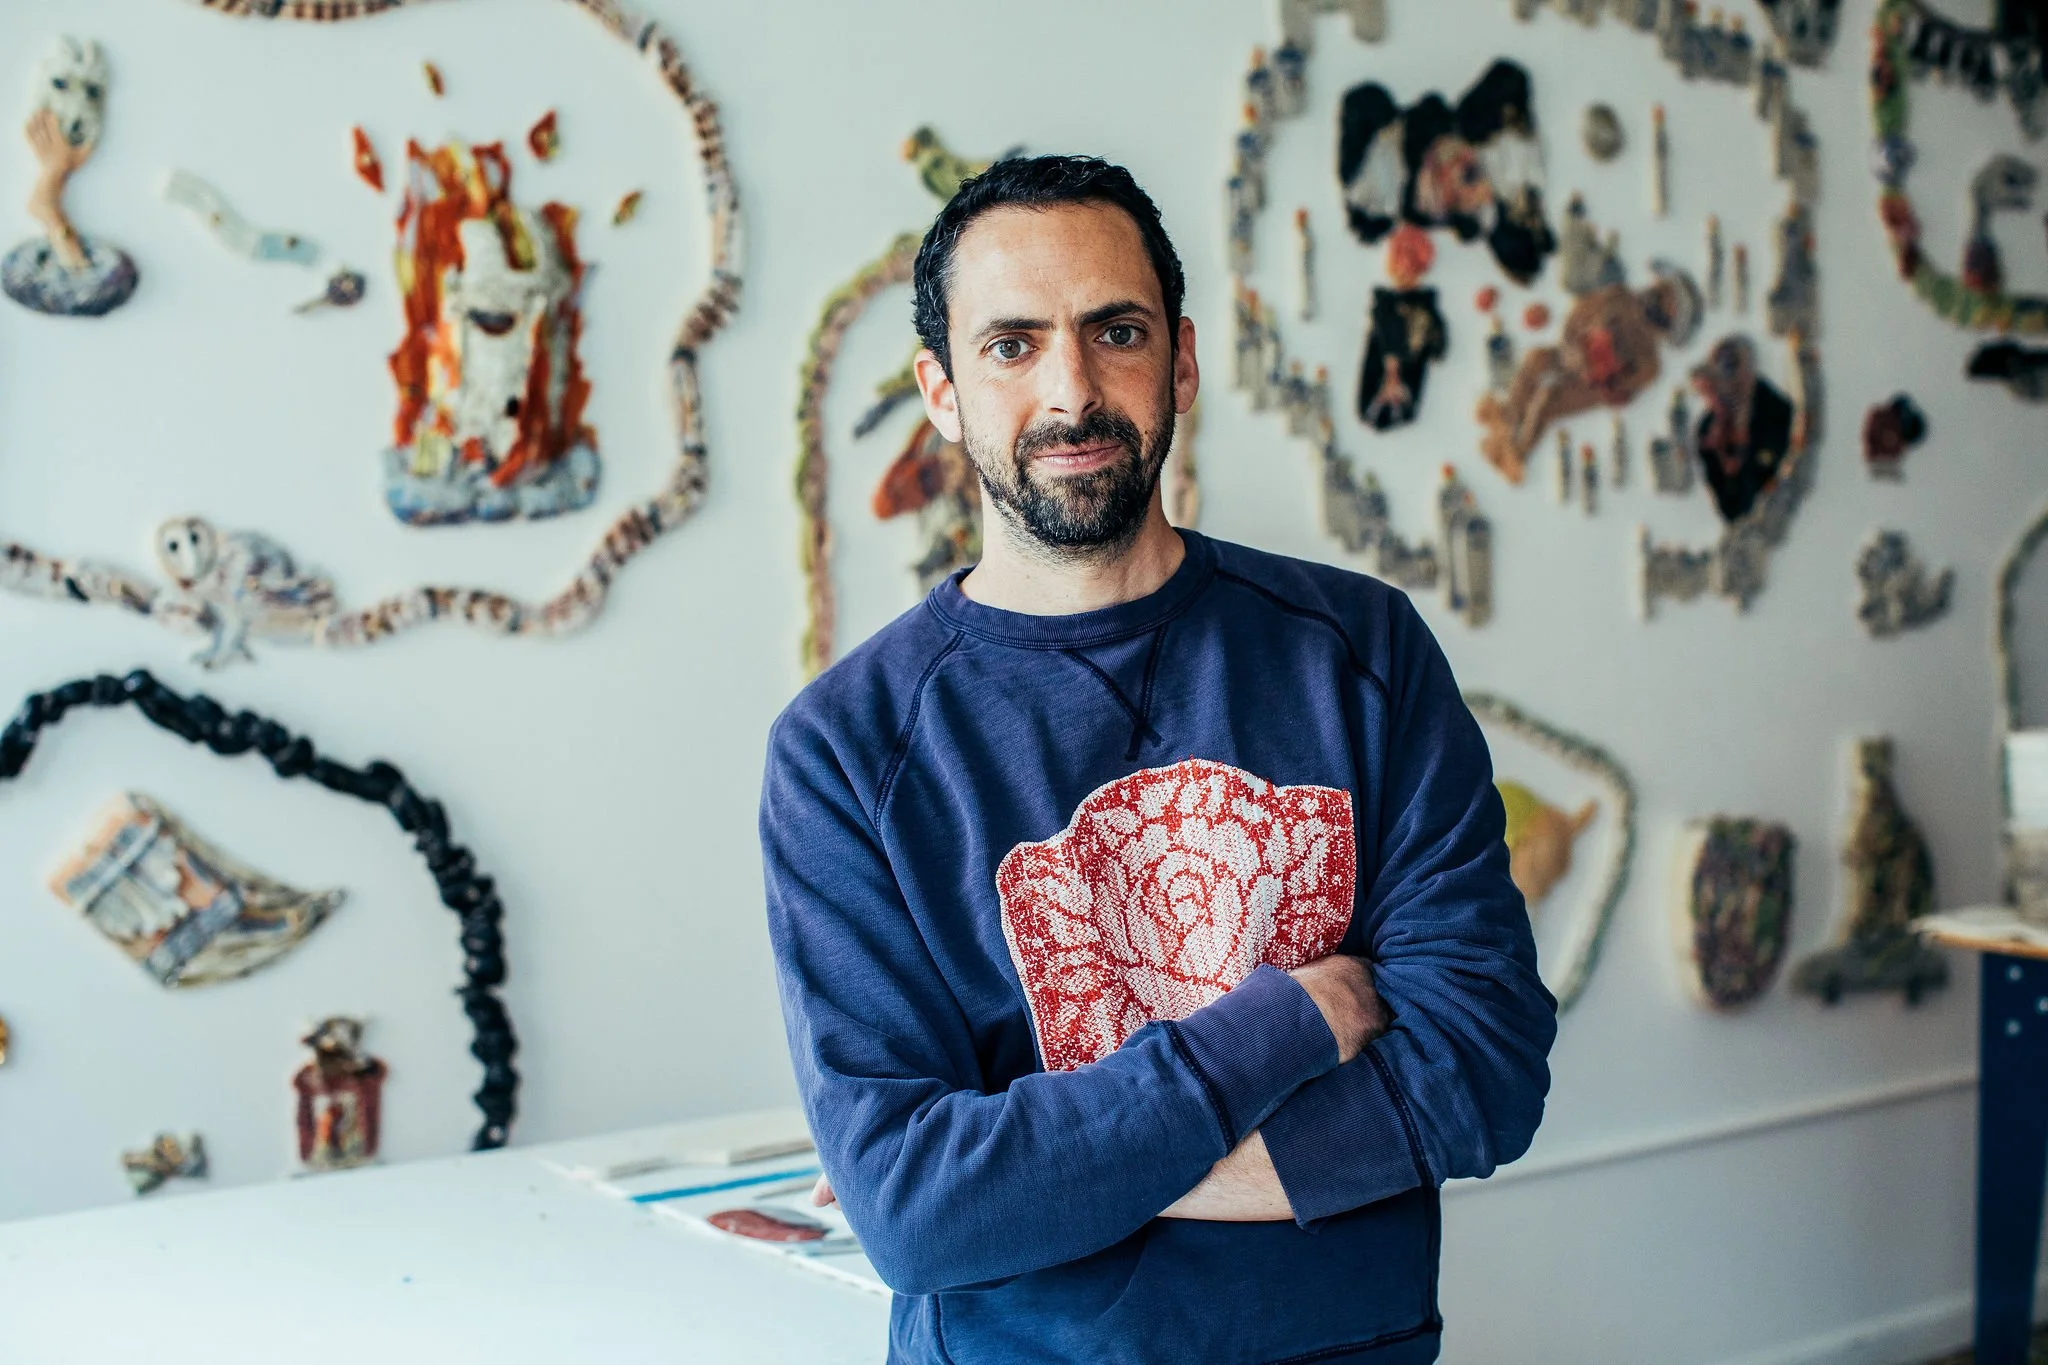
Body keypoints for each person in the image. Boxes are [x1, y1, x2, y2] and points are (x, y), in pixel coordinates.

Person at [759, 154, 1556, 1364]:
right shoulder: (845, 750)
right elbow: (916, 1213)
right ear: (939, 387)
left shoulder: (1360, 652)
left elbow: (1485, 1074)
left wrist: (1037, 1180)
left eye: (1113, 331)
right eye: (1011, 345)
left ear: (1179, 360)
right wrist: (1286, 1024)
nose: (1072, 391)